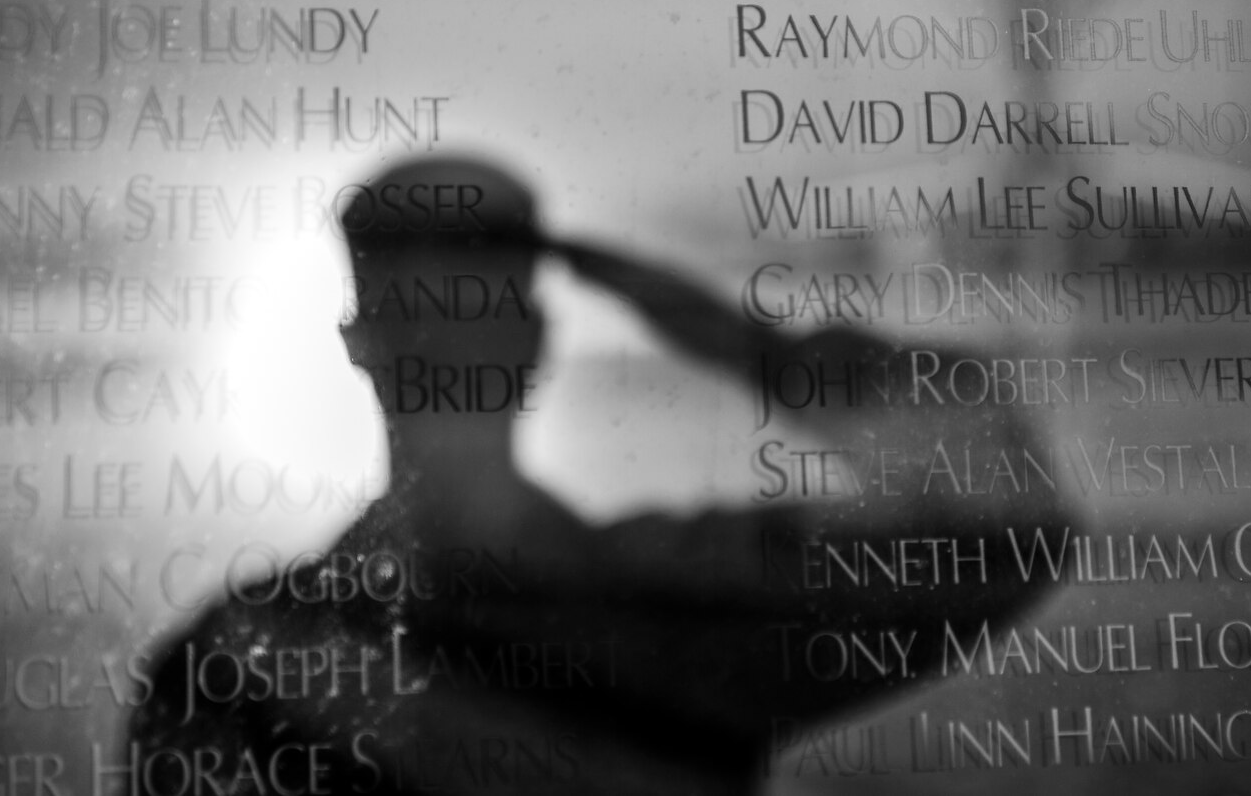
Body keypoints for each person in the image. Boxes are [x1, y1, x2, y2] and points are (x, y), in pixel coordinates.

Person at [127, 156, 1075, 794]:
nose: (436, 332)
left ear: (355, 344)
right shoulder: (675, 604)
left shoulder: (239, 653)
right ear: (540, 336)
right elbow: (1005, 512)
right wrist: (751, 347)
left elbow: (1004, 521)